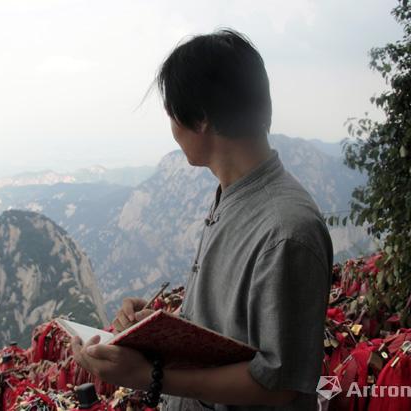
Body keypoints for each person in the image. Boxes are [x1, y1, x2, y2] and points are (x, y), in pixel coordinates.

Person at [72, 28, 333, 411]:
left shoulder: (286, 231)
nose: (172, 130)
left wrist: (146, 375)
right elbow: (235, 328)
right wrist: (159, 330)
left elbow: (278, 384)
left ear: (202, 119)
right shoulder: (232, 195)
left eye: (172, 114)